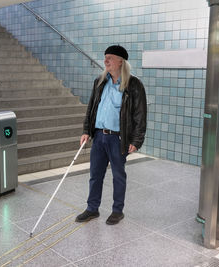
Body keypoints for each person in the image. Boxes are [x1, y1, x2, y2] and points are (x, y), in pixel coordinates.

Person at [76, 45, 147, 225]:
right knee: (95, 175)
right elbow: (91, 109)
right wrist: (86, 130)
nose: (106, 61)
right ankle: (92, 209)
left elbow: (140, 115)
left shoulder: (134, 85)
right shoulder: (99, 82)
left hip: (118, 138)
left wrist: (136, 140)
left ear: (121, 61)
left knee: (118, 175)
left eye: (110, 57)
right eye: (105, 57)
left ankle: (117, 210)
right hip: (99, 136)